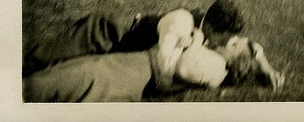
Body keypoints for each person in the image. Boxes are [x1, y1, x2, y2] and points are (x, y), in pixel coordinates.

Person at [23, 0, 245, 87]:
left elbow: (250, 47)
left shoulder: (206, 31)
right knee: (37, 58)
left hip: (120, 52)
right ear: (213, 28)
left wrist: (265, 65)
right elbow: (164, 69)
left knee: (62, 74)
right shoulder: (182, 22)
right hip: (107, 34)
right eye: (223, 39)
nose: (223, 45)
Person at [23, 28, 284, 102]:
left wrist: (196, 41)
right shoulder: (223, 63)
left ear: (238, 56)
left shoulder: (216, 70)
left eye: (236, 42)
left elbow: (183, 69)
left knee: (70, 80)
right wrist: (265, 66)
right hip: (135, 67)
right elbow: (255, 49)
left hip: (138, 72)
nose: (232, 39)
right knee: (78, 71)